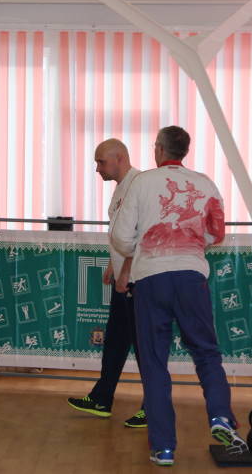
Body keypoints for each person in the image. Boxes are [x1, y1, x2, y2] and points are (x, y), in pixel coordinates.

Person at [110, 125, 248, 466]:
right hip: (191, 278)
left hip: (151, 279)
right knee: (206, 353)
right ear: (184, 150)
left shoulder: (142, 182)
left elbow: (121, 237)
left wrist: (145, 247)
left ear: (159, 149)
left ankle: (164, 448)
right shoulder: (205, 184)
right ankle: (220, 416)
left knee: (154, 363)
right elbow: (217, 234)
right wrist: (189, 242)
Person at [67, 139, 146, 428]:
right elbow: (121, 233)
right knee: (115, 340)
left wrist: (125, 269)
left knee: (144, 346)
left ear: (120, 158)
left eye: (101, 162)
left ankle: (153, 407)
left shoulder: (139, 185)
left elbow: (141, 236)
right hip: (124, 276)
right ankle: (102, 399)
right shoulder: (121, 188)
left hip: (137, 280)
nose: (97, 168)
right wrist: (114, 263)